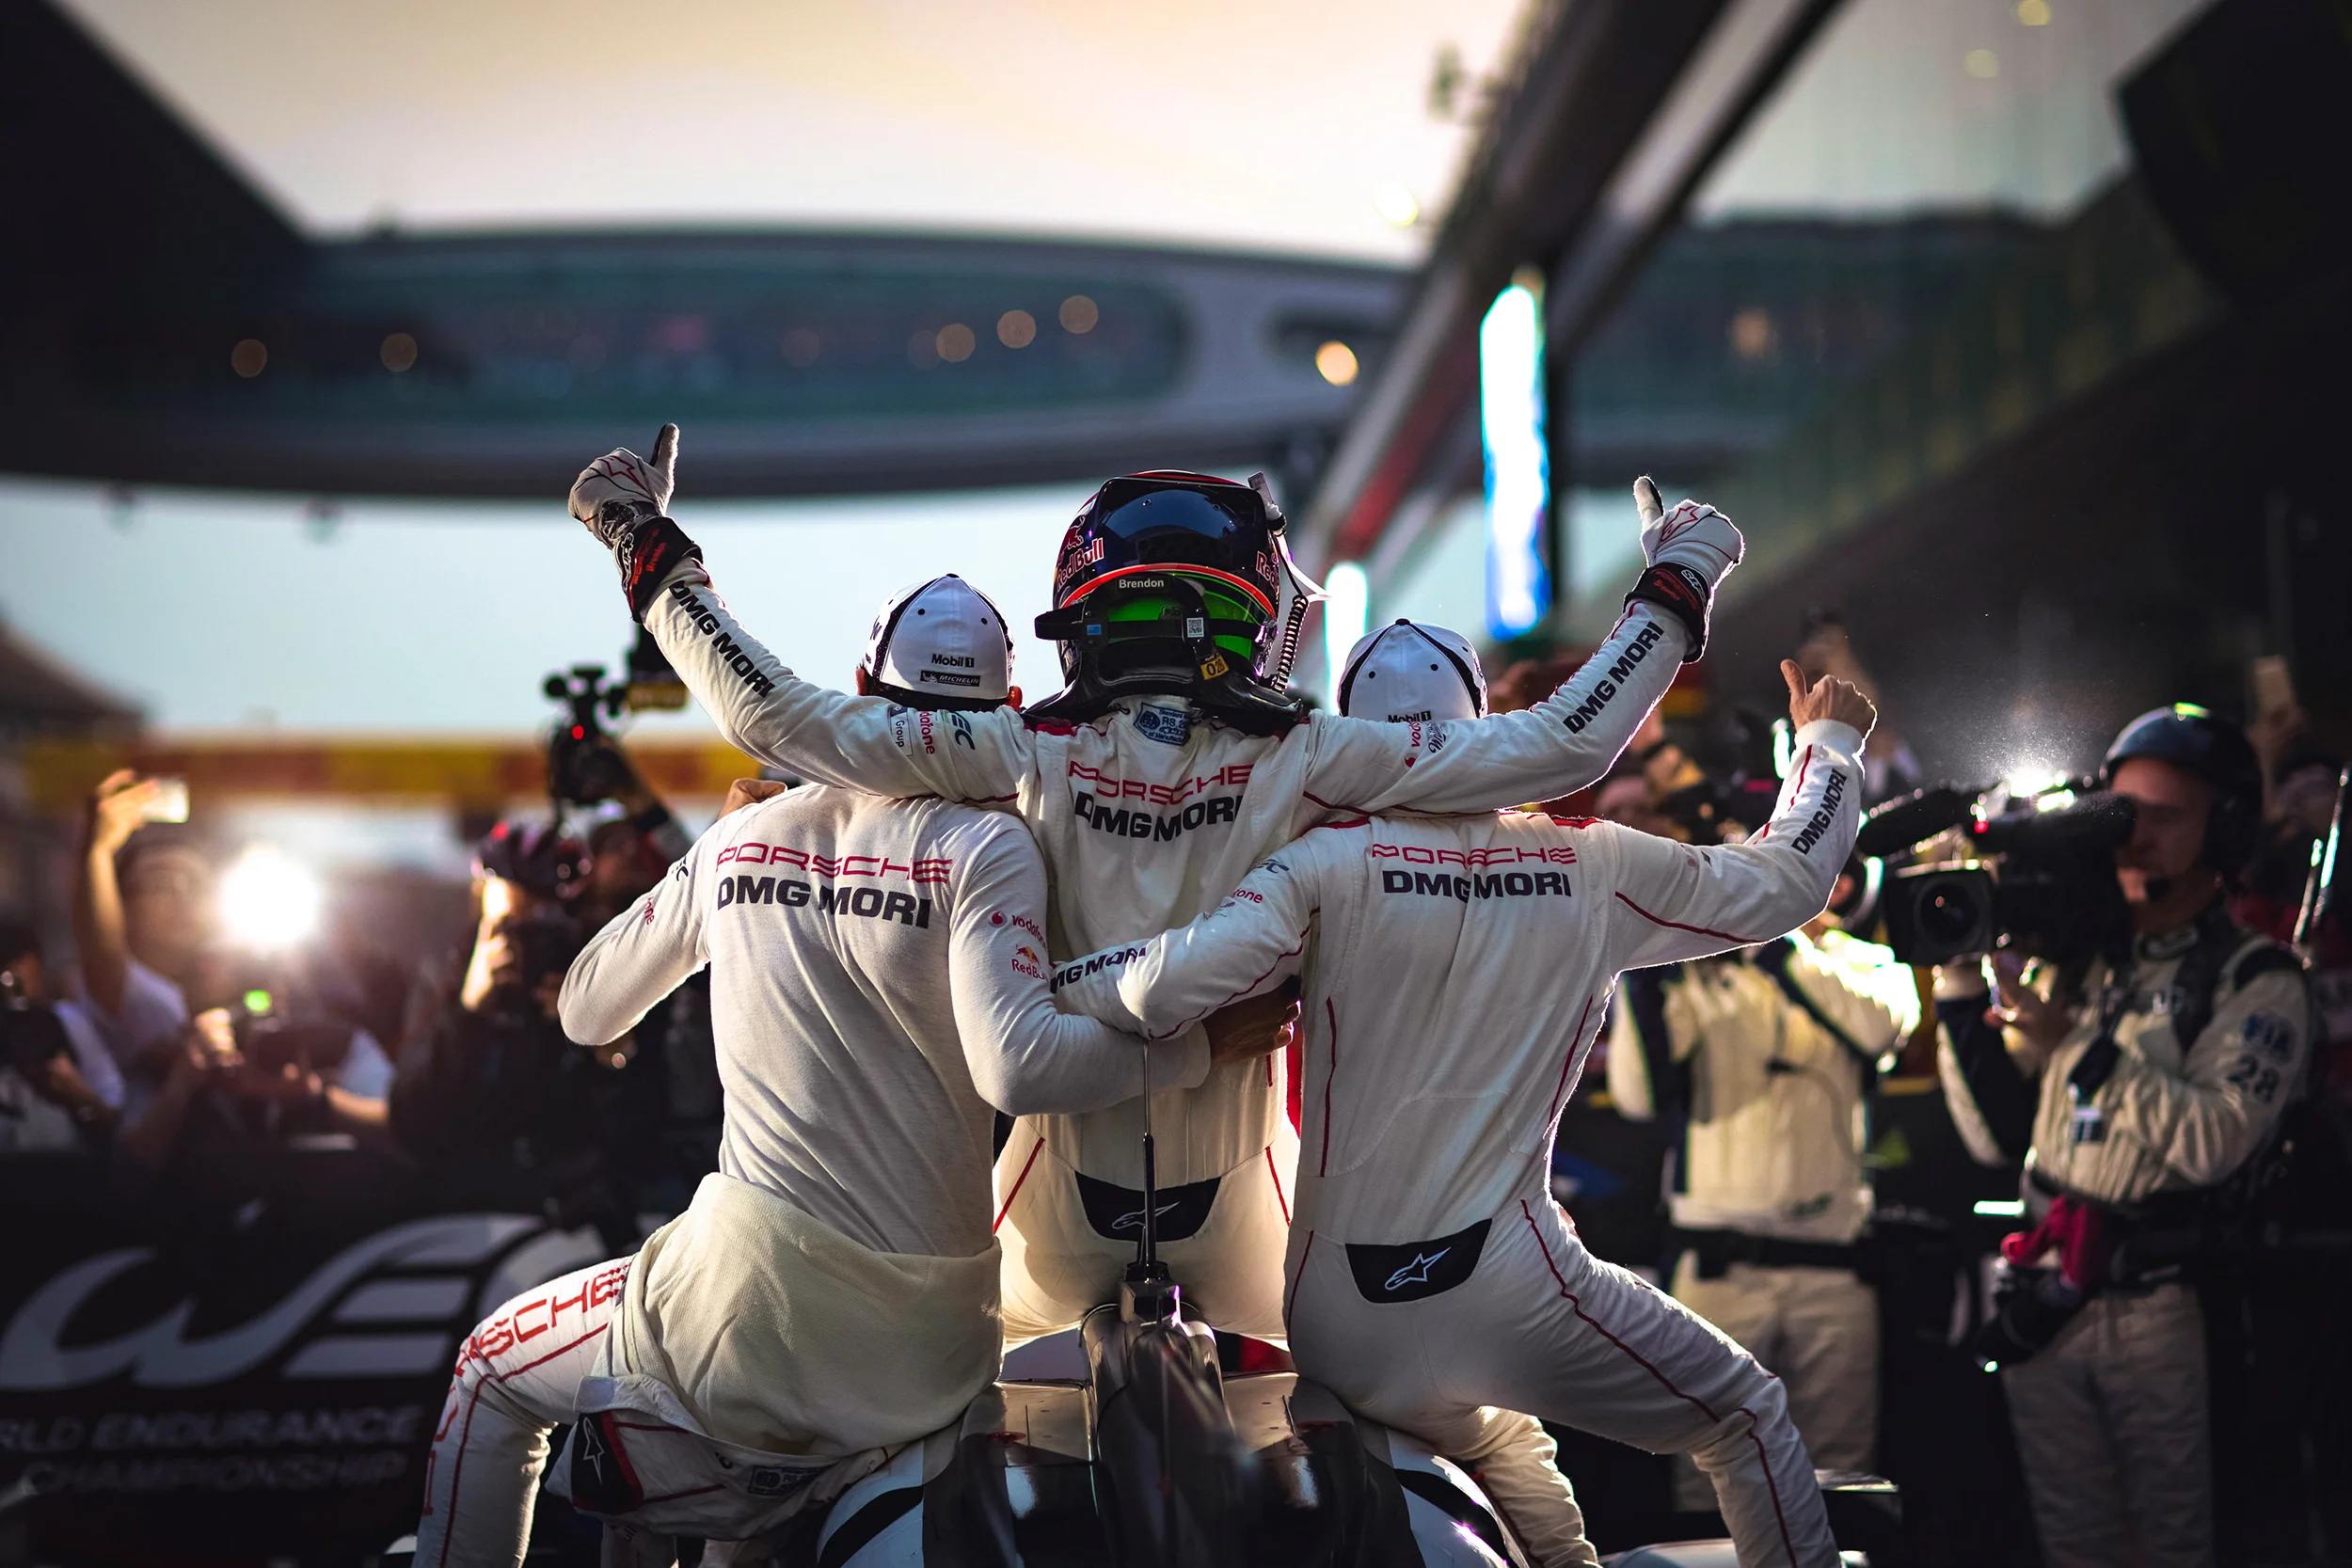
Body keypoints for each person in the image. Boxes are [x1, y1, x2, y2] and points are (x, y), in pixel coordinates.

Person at [569, 430, 1742, 1346]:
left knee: (927, 1446)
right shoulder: (1315, 752)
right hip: (1255, 1218)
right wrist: (1679, 571)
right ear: (1261, 616)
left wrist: (644, 536)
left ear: (1076, 613)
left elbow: (766, 708)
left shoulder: (1010, 748)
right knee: (1398, 1438)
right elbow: (1563, 748)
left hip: (1041, 1217)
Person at [413, 583, 1290, 1566]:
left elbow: (585, 1007)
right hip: (929, 1359)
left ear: (863, 689)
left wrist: (713, 855)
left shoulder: (746, 834)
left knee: (491, 1368)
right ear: (1008, 711)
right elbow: (1026, 1056)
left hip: (742, 1324)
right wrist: (1201, 1042)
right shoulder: (994, 844)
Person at [1049, 658, 1877, 1568]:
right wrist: (1827, 747)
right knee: (1746, 1414)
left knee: (1495, 1435)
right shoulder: (1590, 860)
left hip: (1335, 1317)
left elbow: (1158, 984)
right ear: (1484, 732)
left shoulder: (1316, 865)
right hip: (1507, 1290)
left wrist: (1034, 990)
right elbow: (1784, 886)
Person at [1936, 704, 2314, 1568]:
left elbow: (2216, 1140)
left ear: (2222, 827)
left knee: (2174, 1546)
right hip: (2047, 1298)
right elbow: (1999, 1137)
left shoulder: (2255, 977)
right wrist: (1960, 991)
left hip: (2164, 1305)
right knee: (2078, 1548)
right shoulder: (2074, 957)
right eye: (2121, 812)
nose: (2133, 835)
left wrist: (2072, 1040)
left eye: (2163, 817)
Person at [1607, 865, 1919, 1502]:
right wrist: (1642, 972)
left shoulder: (1873, 962)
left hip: (1835, 1271)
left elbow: (1878, 1027)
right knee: (1711, 1479)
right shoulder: (1702, 970)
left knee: (1842, 1479)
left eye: (1835, 874)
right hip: (1720, 1273)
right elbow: (1638, 1097)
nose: (1822, 887)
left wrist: (1783, 944)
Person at [0, 918, 122, 1153]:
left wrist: (74, 1091)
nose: (11, 983)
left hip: (65, 1171)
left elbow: (114, 1117)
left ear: (36, 965)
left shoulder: (65, 1021)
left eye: (17, 973)